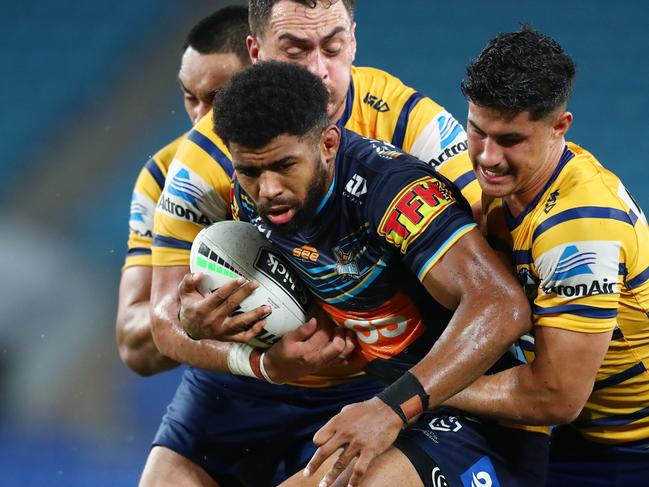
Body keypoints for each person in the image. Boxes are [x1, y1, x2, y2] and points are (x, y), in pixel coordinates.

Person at [148, 1, 484, 485]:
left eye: (333, 45)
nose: (319, 71)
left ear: (353, 39)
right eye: (296, 49)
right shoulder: (208, 156)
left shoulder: (412, 125)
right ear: (256, 51)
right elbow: (164, 321)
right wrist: (245, 354)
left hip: (376, 380)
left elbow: (489, 261)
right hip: (248, 375)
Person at [213, 60, 549, 487]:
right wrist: (206, 322)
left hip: (489, 422)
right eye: (250, 172)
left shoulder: (393, 192)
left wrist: (391, 408)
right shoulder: (252, 203)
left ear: (329, 143)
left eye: (284, 165)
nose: (268, 189)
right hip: (398, 406)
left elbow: (501, 306)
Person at [439, 26, 649, 487]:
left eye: (510, 140)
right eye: (477, 131)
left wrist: (422, 388)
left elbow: (555, 397)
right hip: (583, 434)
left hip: (630, 449)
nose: (487, 158)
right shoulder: (511, 186)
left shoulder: (579, 229)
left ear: (560, 126)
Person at [115, 6, 250, 376]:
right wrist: (190, 315)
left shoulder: (328, 153)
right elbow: (132, 345)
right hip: (229, 381)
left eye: (218, 100)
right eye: (191, 98)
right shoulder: (163, 175)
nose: (200, 120)